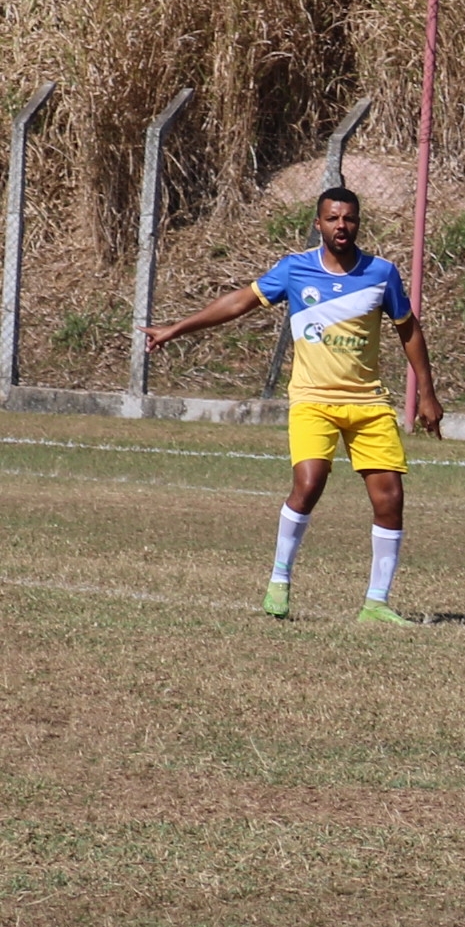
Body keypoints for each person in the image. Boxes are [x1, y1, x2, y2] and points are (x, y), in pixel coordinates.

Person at [144, 186, 443, 624]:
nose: (341, 226)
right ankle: (279, 580)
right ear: (318, 223)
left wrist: (427, 393)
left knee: (390, 498)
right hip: (313, 400)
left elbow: (408, 329)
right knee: (308, 483)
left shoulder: (382, 273)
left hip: (367, 401)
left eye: (349, 218)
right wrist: (176, 328)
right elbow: (239, 301)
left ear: (358, 223)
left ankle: (376, 604)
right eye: (332, 218)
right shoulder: (295, 269)